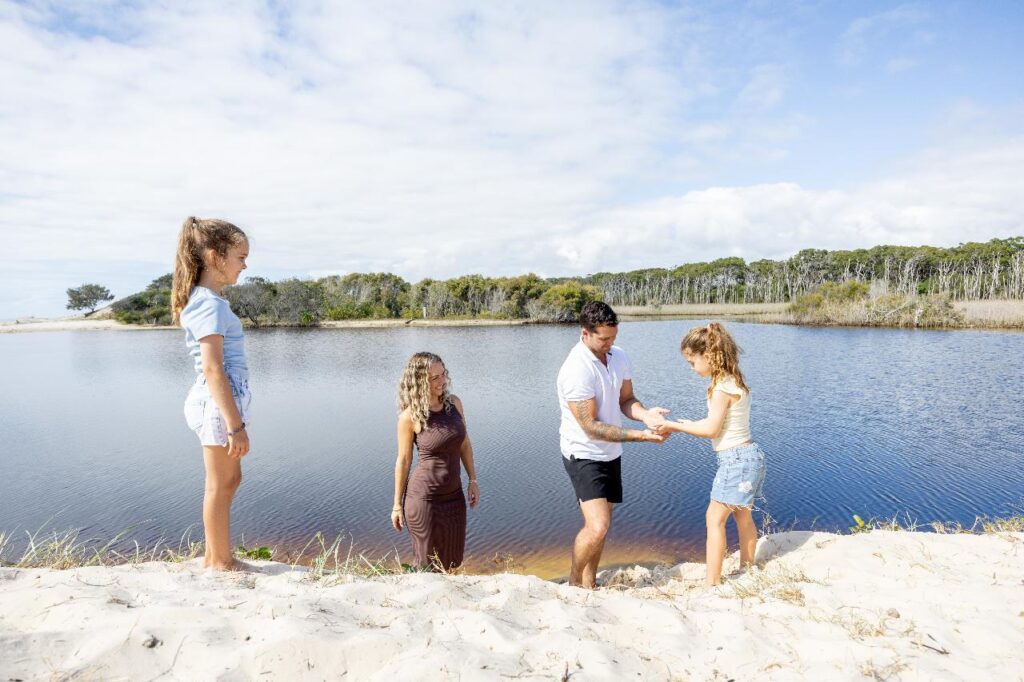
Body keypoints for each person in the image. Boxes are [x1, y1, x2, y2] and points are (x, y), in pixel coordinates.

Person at [557, 301, 670, 588]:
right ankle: (572, 584)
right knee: (597, 526)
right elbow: (591, 427)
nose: (609, 344)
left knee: (603, 525)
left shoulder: (618, 356)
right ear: (585, 334)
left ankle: (589, 583)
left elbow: (625, 400)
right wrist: (640, 436)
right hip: (583, 452)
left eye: (613, 337)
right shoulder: (576, 369)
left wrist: (646, 416)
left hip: (611, 452)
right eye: (603, 338)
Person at [656, 322, 766, 586]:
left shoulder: (720, 389)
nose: (692, 369)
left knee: (713, 519)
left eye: (692, 362)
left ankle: (712, 583)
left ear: (708, 356)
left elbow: (711, 429)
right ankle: (747, 568)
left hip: (735, 461)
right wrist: (687, 424)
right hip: (751, 456)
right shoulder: (733, 381)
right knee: (743, 515)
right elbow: (716, 426)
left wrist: (674, 426)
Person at [172, 216, 252, 571]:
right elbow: (212, 368)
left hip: (221, 403)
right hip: (216, 404)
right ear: (214, 255)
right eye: (240, 256)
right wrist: (235, 425)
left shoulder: (211, 300)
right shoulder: (209, 303)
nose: (245, 265)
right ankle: (219, 562)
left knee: (232, 479)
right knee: (220, 484)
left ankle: (215, 554)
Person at [391, 352, 480, 571]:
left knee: (451, 561)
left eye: (443, 375)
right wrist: (396, 505)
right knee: (426, 566)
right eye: (434, 378)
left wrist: (473, 480)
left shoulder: (454, 404)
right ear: (419, 382)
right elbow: (403, 461)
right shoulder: (410, 417)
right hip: (424, 500)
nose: (442, 381)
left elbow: (464, 445)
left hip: (454, 497)